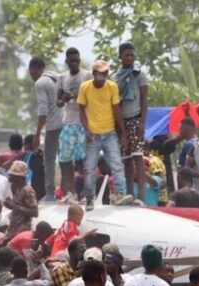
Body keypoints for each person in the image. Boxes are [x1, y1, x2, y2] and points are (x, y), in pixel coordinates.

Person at [78, 60, 133, 210]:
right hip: (93, 134)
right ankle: (90, 198)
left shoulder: (112, 86)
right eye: (100, 73)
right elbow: (81, 110)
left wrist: (123, 134)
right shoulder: (85, 87)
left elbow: (116, 110)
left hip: (109, 133)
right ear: (94, 73)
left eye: (105, 72)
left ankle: (119, 194)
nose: (103, 75)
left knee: (116, 164)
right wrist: (86, 129)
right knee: (89, 167)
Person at [115, 43, 149, 204]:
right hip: (122, 122)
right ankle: (129, 195)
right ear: (120, 57)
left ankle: (141, 196)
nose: (129, 58)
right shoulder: (116, 77)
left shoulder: (139, 75)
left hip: (135, 119)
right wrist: (119, 127)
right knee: (127, 159)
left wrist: (142, 122)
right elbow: (115, 103)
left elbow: (144, 100)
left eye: (132, 55)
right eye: (126, 55)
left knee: (138, 157)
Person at [57, 47, 91, 203]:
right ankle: (70, 193)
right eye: (71, 61)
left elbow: (91, 95)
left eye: (77, 60)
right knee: (65, 160)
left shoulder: (87, 75)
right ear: (67, 62)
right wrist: (63, 99)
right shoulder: (62, 78)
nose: (74, 63)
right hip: (68, 122)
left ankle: (87, 194)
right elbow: (58, 102)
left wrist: (74, 95)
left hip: (84, 122)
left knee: (83, 160)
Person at [29, 57, 63, 202]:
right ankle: (66, 191)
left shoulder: (40, 83)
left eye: (31, 72)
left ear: (34, 69)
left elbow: (43, 110)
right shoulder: (58, 77)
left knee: (49, 158)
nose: (32, 76)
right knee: (65, 159)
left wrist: (37, 134)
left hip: (54, 125)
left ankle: (50, 193)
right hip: (67, 123)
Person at [4, 161, 39, 241]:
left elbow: (35, 212)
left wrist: (13, 206)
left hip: (22, 230)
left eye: (12, 175)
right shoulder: (16, 188)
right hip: (14, 229)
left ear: (19, 177)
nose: (10, 176)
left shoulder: (27, 190)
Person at [17, 134, 46, 200]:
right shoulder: (42, 155)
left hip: (32, 190)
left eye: (24, 144)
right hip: (38, 192)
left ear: (28, 144)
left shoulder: (24, 156)